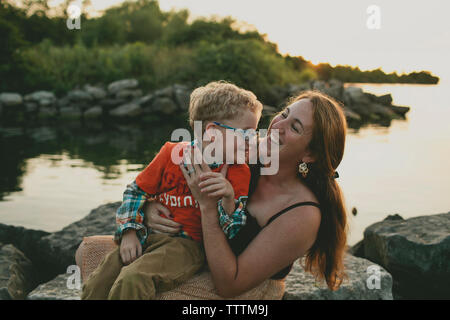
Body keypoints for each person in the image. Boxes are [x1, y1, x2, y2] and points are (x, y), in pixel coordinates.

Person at [145, 90, 349, 298]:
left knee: (134, 287)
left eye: (294, 127)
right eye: (284, 114)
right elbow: (171, 172)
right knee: (115, 263)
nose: (277, 126)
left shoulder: (303, 214)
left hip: (242, 289)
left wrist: (208, 208)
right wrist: (150, 206)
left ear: (310, 154)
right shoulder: (243, 151)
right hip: (189, 254)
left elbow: (230, 285)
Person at [81, 81, 262, 300]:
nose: (253, 142)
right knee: (101, 278)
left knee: (134, 278)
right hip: (147, 235)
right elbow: (136, 191)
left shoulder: (238, 172)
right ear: (212, 133)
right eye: (246, 134)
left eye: (254, 134)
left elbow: (232, 232)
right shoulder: (171, 153)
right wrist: (129, 232)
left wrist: (228, 199)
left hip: (187, 246)